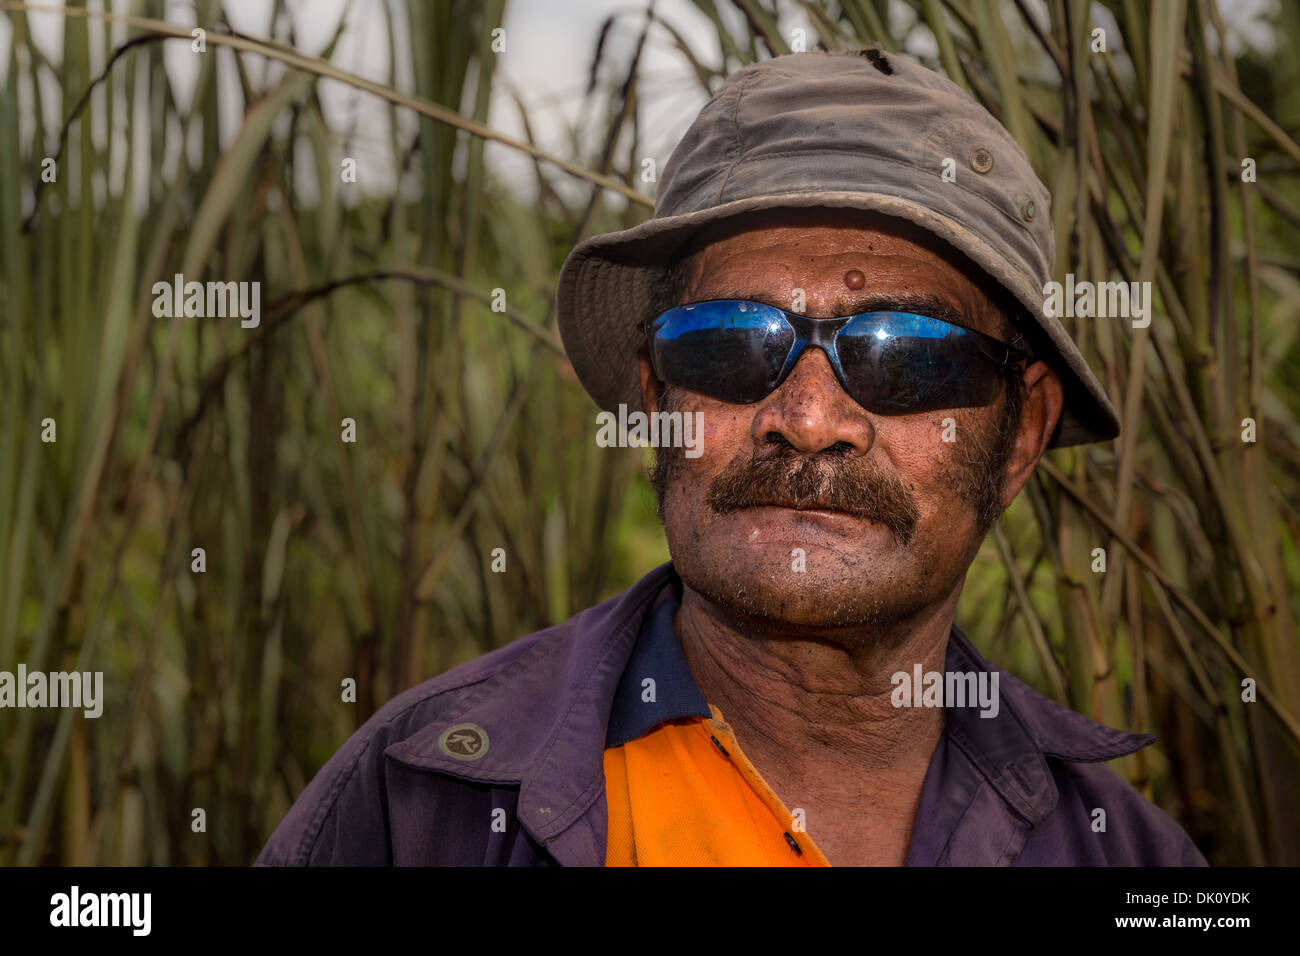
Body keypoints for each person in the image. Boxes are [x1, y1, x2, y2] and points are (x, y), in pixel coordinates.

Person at [257, 47, 1206, 866]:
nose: (806, 417)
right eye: (729, 343)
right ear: (655, 393)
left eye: (907, 355)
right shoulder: (424, 802)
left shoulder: (1126, 854)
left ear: (1021, 436)